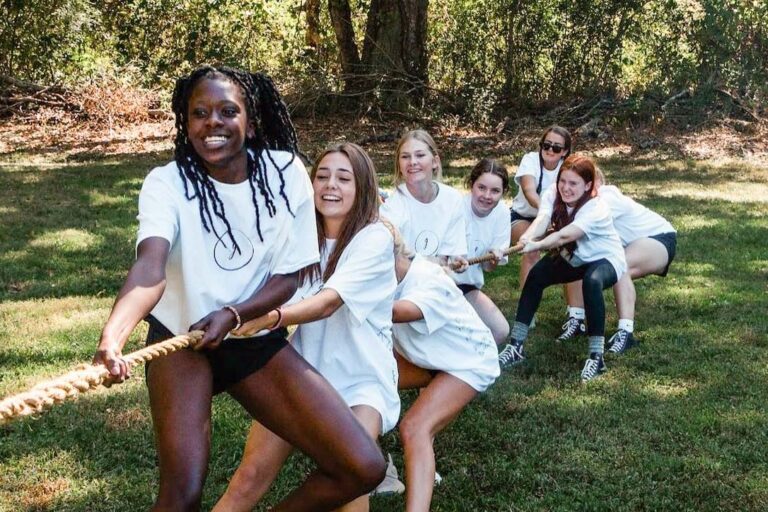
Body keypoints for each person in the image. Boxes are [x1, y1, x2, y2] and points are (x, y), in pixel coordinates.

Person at [92, 66, 385, 511]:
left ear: (250, 121)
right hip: (181, 341)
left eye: (228, 111)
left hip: (251, 336)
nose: (213, 122)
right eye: (200, 113)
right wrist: (112, 338)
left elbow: (288, 277)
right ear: (186, 122)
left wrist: (234, 315)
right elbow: (150, 266)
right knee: (182, 494)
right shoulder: (166, 183)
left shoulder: (285, 173)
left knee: (362, 466)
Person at [212, 143, 399, 512]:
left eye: (344, 178)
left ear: (362, 187)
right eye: (322, 176)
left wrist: (273, 317)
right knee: (249, 477)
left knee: (354, 480)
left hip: (362, 380)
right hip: (304, 372)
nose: (330, 185)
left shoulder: (374, 238)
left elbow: (329, 302)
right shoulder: (297, 237)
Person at [390, 229, 500, 512]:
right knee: (362, 382)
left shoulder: (428, 279)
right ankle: (374, 470)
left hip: (468, 361)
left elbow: (401, 312)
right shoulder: (386, 279)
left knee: (415, 428)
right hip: (429, 356)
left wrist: (341, 297)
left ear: (391, 253)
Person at [497, 154, 627, 383]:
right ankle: (516, 346)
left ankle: (596, 358)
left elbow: (564, 236)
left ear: (587, 185)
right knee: (536, 275)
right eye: (562, 181)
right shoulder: (552, 193)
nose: (566, 188)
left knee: (592, 282)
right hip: (576, 256)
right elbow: (542, 219)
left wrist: (537, 245)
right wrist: (527, 237)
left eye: (573, 183)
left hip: (605, 259)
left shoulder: (596, 207)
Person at [561, 168, 677, 354]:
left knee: (620, 265)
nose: (569, 188)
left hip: (659, 238)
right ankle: (576, 319)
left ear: (593, 184)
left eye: (576, 182)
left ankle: (626, 333)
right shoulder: (576, 204)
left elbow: (574, 230)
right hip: (630, 244)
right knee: (576, 258)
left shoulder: (606, 198)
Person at [380, 129, 467, 267]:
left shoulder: (453, 199)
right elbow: (391, 261)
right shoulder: (391, 208)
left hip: (442, 277)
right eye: (405, 157)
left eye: (420, 155)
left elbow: (452, 255)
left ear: (435, 162)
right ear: (399, 165)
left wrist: (456, 261)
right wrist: (434, 262)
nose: (412, 162)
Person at [509, 126, 572, 312]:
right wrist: (546, 212)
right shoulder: (530, 160)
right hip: (523, 217)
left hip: (555, 219)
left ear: (565, 151)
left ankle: (574, 311)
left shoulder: (568, 167)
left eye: (557, 147)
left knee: (571, 253)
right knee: (532, 249)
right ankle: (527, 310)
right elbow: (529, 191)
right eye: (546, 145)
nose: (550, 150)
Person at [452, 158, 511, 345]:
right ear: (472, 185)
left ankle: (468, 360)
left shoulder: (502, 213)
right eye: (482, 188)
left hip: (467, 287)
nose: (487, 196)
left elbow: (487, 268)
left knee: (500, 330)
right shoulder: (455, 207)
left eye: (495, 191)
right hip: (442, 282)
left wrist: (493, 259)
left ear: (504, 192)